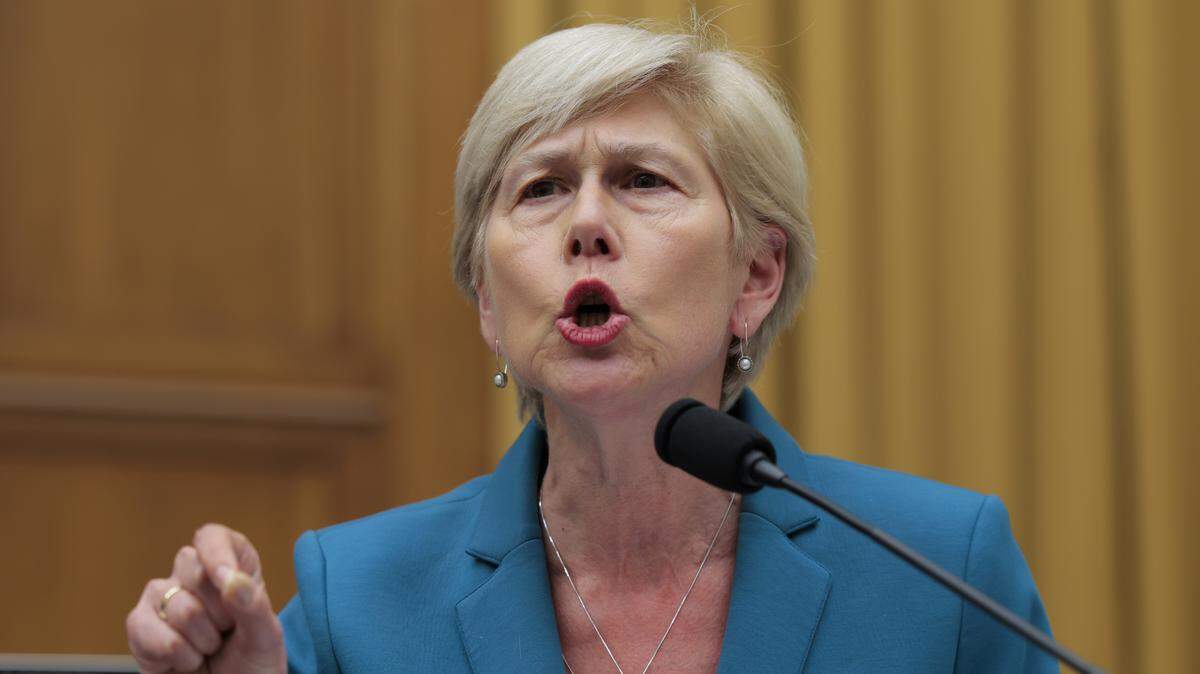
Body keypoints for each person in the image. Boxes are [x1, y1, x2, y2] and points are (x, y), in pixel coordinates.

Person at [125, 21, 1054, 673]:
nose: (588, 225)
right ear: (489, 299)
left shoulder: (941, 575)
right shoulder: (358, 596)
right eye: (540, 189)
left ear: (756, 276)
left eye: (644, 180)